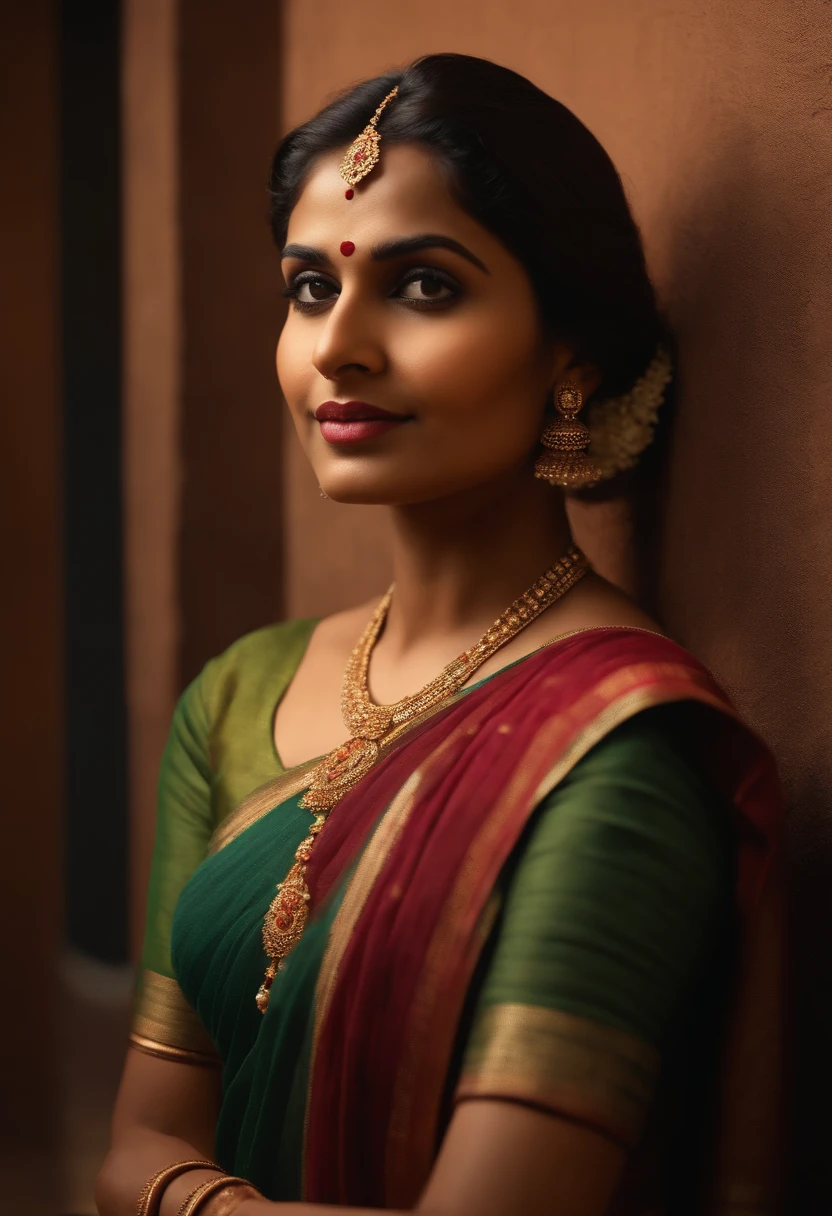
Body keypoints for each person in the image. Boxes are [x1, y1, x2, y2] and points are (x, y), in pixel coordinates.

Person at [96, 53, 784, 1216]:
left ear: (572, 356)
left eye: (422, 287)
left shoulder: (612, 755)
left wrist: (190, 1199)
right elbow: (130, 1146)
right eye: (310, 288)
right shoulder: (235, 694)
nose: (338, 346)